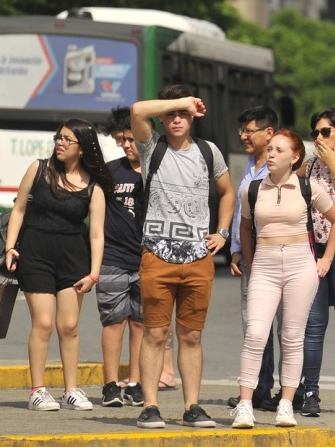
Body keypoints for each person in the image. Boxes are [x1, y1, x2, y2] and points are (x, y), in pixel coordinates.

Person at [130, 85, 235, 428]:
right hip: (157, 255)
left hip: (198, 258)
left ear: (192, 119)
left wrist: (222, 232)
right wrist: (182, 101)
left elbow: (227, 192)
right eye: (171, 114)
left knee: (191, 335)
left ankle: (192, 407)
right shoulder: (152, 148)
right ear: (162, 118)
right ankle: (150, 406)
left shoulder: (208, 151)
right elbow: (137, 110)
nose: (177, 119)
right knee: (155, 334)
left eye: (184, 115)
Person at [231, 129, 335, 429]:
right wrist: (252, 263)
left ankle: (286, 405)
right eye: (270, 149)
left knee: (292, 338)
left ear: (294, 157)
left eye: (279, 150)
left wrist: (326, 259)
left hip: (300, 266)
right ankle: (245, 406)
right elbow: (244, 229)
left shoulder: (308, 187)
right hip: (264, 267)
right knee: (255, 334)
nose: (271, 154)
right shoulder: (252, 189)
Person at [5, 119, 114, 411]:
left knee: (69, 326)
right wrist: (10, 247)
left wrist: (94, 273)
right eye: (58, 137)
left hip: (73, 259)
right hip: (35, 254)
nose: (60, 143)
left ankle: (70, 390)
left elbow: (97, 234)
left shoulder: (93, 186)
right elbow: (19, 209)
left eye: (67, 139)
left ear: (82, 148)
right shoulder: (39, 169)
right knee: (43, 323)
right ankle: (37, 391)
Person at [98, 106, 176, 409]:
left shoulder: (160, 169)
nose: (126, 145)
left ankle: (135, 382)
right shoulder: (110, 172)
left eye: (130, 139)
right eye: (120, 140)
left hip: (150, 258)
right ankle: (110, 385)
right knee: (113, 321)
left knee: (141, 324)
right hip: (113, 257)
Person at [228, 106, 288, 410]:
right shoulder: (251, 166)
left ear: (269, 132)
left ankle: (292, 392)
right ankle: (259, 389)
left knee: (287, 329)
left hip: (280, 256)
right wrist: (236, 249)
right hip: (250, 257)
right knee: (254, 327)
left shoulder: (285, 168)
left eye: (249, 131)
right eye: (242, 131)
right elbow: (242, 212)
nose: (243, 136)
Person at [296, 109, 335, 417]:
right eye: (315, 132)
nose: (318, 137)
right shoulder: (311, 165)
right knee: (313, 326)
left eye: (325, 132)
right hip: (313, 251)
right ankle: (310, 392)